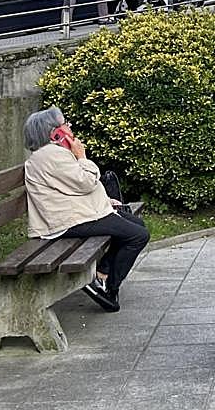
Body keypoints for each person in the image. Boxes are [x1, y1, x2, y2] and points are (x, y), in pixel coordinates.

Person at [21, 107, 149, 313]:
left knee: (136, 225)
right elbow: (87, 182)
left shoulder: (53, 154)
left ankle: (102, 275)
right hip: (68, 221)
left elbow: (72, 188)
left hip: (76, 214)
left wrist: (106, 201)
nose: (70, 126)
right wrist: (82, 156)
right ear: (54, 133)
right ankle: (108, 290)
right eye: (65, 124)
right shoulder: (51, 156)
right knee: (138, 235)